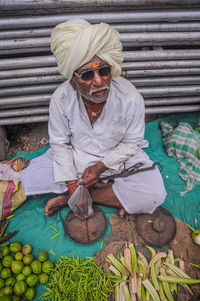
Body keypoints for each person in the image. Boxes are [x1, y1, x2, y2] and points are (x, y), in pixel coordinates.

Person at [20, 18, 167, 218]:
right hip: (77, 156)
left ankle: (87, 194)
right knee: (32, 178)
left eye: (104, 71)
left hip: (119, 159)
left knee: (154, 194)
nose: (98, 81)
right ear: (72, 80)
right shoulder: (61, 98)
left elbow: (132, 142)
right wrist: (72, 184)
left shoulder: (130, 98)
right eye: (87, 75)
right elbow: (60, 143)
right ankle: (96, 192)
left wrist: (100, 167)